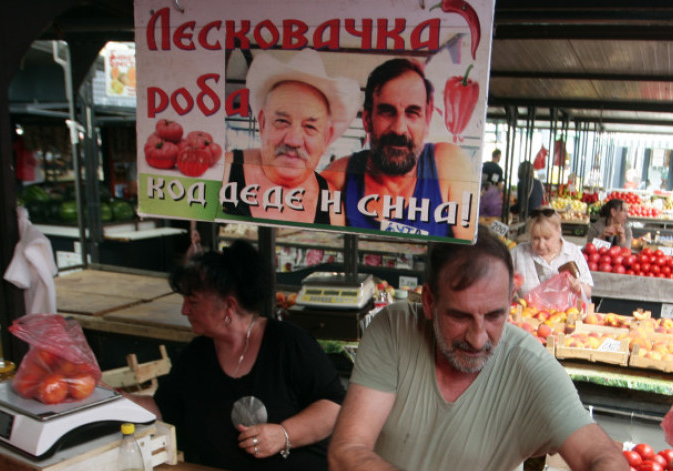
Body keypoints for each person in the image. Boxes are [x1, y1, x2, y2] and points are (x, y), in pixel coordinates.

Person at [328, 227, 631, 471]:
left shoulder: (530, 370)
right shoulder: (394, 331)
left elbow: (608, 462)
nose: (477, 337)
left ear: (511, 302)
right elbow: (346, 455)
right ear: (429, 302)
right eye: (459, 316)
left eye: (494, 316)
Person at [130, 241, 347, 471]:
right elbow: (163, 408)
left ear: (229, 306)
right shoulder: (196, 355)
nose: (184, 310)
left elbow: (334, 406)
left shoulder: (287, 344)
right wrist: (109, 397)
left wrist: (284, 434)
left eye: (193, 302)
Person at [325, 58, 475, 239]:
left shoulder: (448, 164)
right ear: (367, 120)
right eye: (387, 112)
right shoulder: (339, 178)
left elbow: (467, 250)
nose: (399, 128)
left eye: (412, 113)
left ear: (427, 121)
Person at [220, 49, 359, 225]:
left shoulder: (331, 207)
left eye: (310, 127)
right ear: (263, 124)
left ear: (326, 138)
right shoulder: (222, 172)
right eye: (282, 121)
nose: (293, 141)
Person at [512, 207, 593, 300]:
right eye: (536, 238)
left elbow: (588, 292)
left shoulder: (572, 253)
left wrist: (578, 287)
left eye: (546, 238)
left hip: (567, 309)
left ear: (558, 230)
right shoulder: (518, 253)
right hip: (528, 309)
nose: (541, 244)